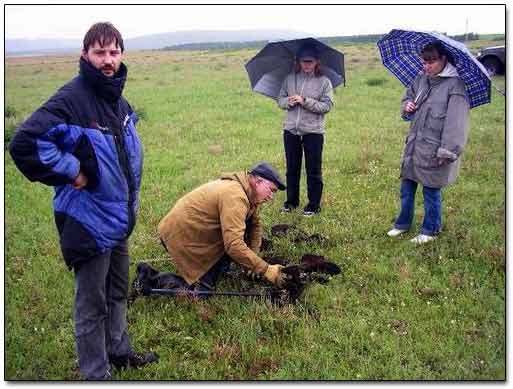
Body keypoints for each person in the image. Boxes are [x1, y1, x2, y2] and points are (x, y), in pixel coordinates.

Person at [9, 22, 157, 379]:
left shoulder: (118, 102)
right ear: (85, 54)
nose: (108, 60)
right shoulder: (70, 100)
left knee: (118, 291)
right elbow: (25, 144)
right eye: (100, 52)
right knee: (91, 305)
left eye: (114, 52)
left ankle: (119, 351)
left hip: (118, 219)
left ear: (122, 54)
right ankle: (96, 374)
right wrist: (72, 171)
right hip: (89, 222)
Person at [387, 40, 470, 244]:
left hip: (436, 149)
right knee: (407, 187)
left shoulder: (455, 85)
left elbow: (457, 122)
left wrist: (448, 150)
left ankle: (430, 230)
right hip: (415, 145)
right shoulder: (421, 79)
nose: (426, 65)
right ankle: (402, 224)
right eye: (424, 61)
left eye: (431, 61)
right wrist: (406, 106)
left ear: (443, 59)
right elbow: (407, 97)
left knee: (431, 190)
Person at [158, 162, 288, 291]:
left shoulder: (249, 191)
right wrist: (266, 269)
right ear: (258, 182)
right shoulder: (235, 196)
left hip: (197, 231)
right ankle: (149, 279)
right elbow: (233, 245)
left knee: (231, 251)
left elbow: (254, 225)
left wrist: (253, 259)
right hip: (181, 236)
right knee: (201, 292)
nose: (271, 197)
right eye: (271, 190)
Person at [277, 43, 334, 216]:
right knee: (291, 169)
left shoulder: (324, 81)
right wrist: (288, 102)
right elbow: (279, 99)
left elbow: (327, 106)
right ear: (298, 61)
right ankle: (291, 202)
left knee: (313, 170)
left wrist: (305, 101)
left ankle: (313, 205)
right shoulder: (289, 78)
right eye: (304, 61)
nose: (307, 65)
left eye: (310, 61)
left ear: (317, 62)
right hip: (291, 130)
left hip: (313, 132)